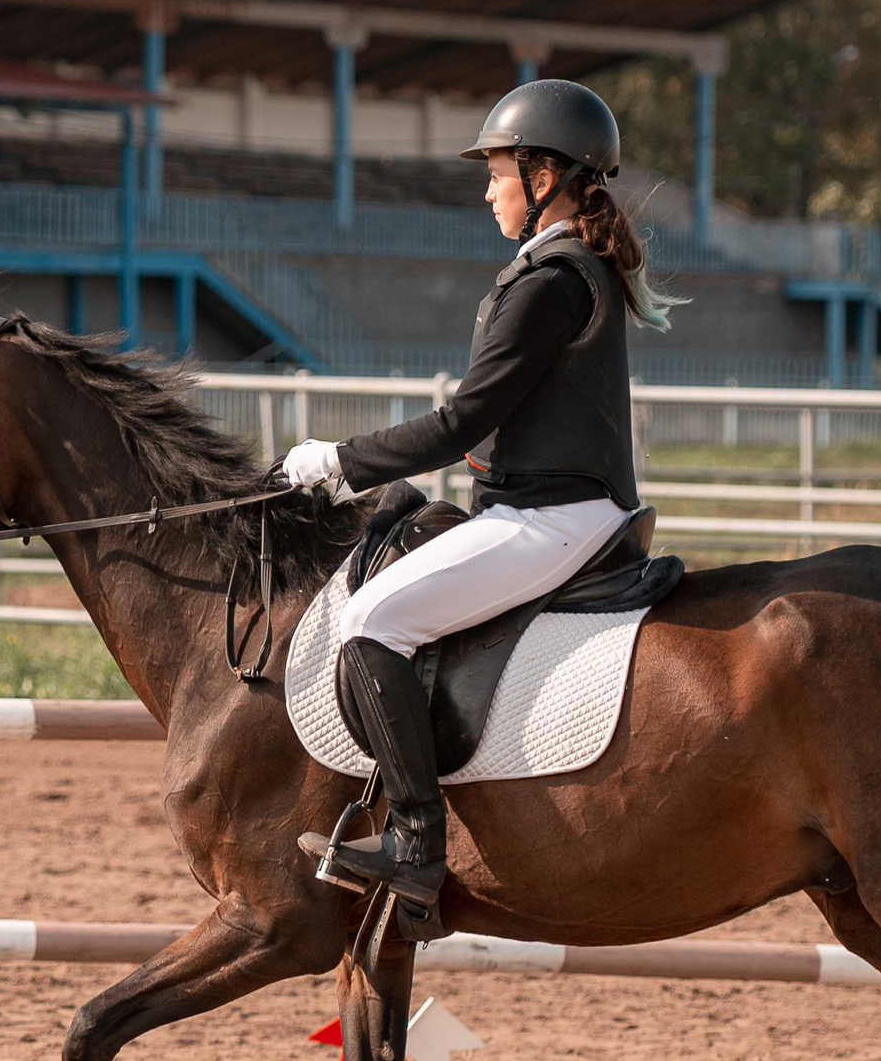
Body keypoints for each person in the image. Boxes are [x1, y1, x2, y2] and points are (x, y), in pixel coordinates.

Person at [277, 78, 676, 910]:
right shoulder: (563, 269)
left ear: (543, 177)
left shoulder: (552, 281)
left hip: (551, 518)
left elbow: (463, 420)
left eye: (497, 174)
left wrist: (338, 461)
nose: (487, 191)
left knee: (371, 621)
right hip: (546, 506)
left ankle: (416, 842)